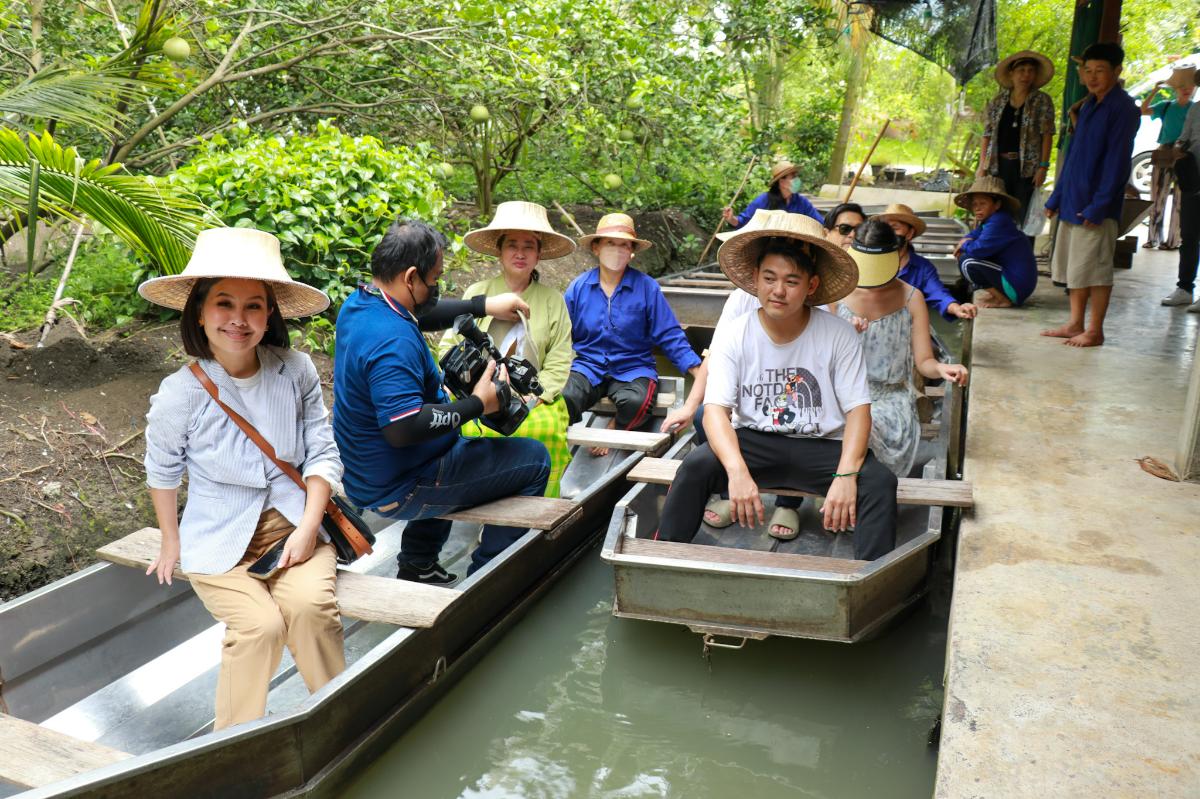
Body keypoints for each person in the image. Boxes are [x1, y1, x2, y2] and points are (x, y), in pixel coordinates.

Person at [140, 227, 345, 730]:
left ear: (270, 313)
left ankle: (341, 718)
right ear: (200, 313)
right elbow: (162, 468)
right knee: (259, 627)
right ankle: (233, 741)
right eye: (224, 304)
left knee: (310, 608)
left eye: (254, 306)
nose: (238, 319)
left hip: (297, 530)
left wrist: (306, 529)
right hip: (218, 538)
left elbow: (322, 452)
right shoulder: (179, 393)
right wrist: (170, 540)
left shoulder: (295, 370)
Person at [655, 211, 898, 561]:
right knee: (696, 467)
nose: (778, 291)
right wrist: (737, 473)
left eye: (791, 281)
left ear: (811, 286)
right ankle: (665, 556)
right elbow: (716, 413)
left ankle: (870, 576)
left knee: (879, 482)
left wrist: (845, 475)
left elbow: (859, 412)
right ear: (754, 279)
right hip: (756, 441)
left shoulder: (838, 334)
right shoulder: (734, 335)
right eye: (769, 278)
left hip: (821, 445)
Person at [334, 218, 550, 584]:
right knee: (534, 459)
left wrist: (484, 306)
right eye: (433, 280)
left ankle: (418, 563)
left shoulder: (362, 303)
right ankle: (490, 575)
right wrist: (479, 404)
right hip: (401, 486)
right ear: (411, 277)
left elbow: (420, 312)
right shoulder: (392, 341)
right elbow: (404, 428)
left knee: (457, 444)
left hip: (370, 475)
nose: (435, 288)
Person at [438, 202, 576, 497]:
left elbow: (560, 359)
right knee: (463, 431)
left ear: (539, 254)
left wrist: (536, 395)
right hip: (477, 391)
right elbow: (449, 346)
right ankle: (477, 498)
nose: (520, 253)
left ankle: (537, 507)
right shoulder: (477, 293)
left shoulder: (553, 301)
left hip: (532, 395)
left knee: (543, 432)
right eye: (512, 245)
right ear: (499, 251)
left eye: (529, 246)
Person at [837, 220, 969, 478]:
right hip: (842, 392)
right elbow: (820, 359)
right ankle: (838, 487)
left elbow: (924, 361)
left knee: (862, 425)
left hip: (890, 398)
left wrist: (942, 367)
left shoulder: (912, 297)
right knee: (828, 422)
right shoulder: (837, 294)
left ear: (898, 254)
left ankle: (847, 486)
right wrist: (843, 336)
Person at [562, 213, 701, 438]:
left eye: (624, 245)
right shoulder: (578, 288)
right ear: (596, 248)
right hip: (589, 365)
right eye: (610, 243)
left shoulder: (647, 287)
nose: (617, 250)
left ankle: (617, 428)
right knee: (564, 396)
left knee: (637, 402)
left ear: (631, 252)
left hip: (633, 367)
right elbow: (560, 335)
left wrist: (696, 369)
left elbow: (669, 334)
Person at [1043, 42, 1140, 348]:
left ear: (1117, 71)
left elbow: (1117, 161)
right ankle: (1075, 323)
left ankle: (1095, 330)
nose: (1093, 76)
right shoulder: (1087, 106)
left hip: (1097, 207)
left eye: (1100, 70)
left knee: (1096, 270)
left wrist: (1099, 205)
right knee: (1075, 267)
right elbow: (1073, 158)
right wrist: (1056, 197)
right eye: (1088, 70)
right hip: (1073, 200)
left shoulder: (1123, 108)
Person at [978, 50, 1057, 228]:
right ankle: (996, 253)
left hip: (1027, 169)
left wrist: (1043, 167)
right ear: (1011, 74)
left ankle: (1022, 254)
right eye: (1021, 70)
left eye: (1030, 70)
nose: (1026, 75)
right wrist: (982, 166)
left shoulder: (1041, 101)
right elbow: (987, 134)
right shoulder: (998, 102)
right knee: (997, 214)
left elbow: (1047, 135)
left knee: (1024, 217)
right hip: (998, 166)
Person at [878, 203, 978, 321]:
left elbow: (937, 293)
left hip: (905, 325)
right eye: (885, 229)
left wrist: (956, 308)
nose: (888, 234)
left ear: (909, 234)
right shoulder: (870, 261)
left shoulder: (923, 267)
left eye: (894, 228)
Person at [952, 177, 1039, 308]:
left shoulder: (999, 221)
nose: (977, 208)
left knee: (967, 262)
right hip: (1017, 284)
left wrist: (963, 244)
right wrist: (965, 241)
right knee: (968, 256)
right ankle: (997, 294)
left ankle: (1003, 299)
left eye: (983, 203)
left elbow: (978, 250)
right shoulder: (990, 221)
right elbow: (973, 235)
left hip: (1017, 286)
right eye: (975, 204)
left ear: (997, 205)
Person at [1143, 65, 1195, 255]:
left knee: (1180, 200)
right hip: (1164, 152)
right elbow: (1143, 110)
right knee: (1157, 197)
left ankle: (1173, 240)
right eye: (1182, 85)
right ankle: (1152, 238)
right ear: (1175, 88)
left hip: (1184, 154)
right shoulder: (1165, 106)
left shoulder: (1195, 108)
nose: (1186, 89)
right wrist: (1155, 90)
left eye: (1190, 85)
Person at [721, 161, 824, 229]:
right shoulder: (763, 200)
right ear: (782, 182)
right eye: (793, 177)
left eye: (796, 176)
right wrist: (731, 218)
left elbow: (819, 222)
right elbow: (744, 221)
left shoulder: (802, 202)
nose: (797, 180)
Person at [1169, 91, 1200, 311]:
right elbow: (1184, 135)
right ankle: (1185, 289)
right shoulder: (1196, 108)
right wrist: (1178, 148)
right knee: (1189, 234)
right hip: (1193, 177)